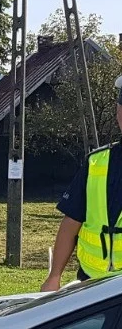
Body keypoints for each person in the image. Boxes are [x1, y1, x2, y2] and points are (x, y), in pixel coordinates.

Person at [42, 75, 122, 292]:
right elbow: (72, 221)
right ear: (117, 113)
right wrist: (55, 275)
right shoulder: (96, 161)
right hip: (91, 285)